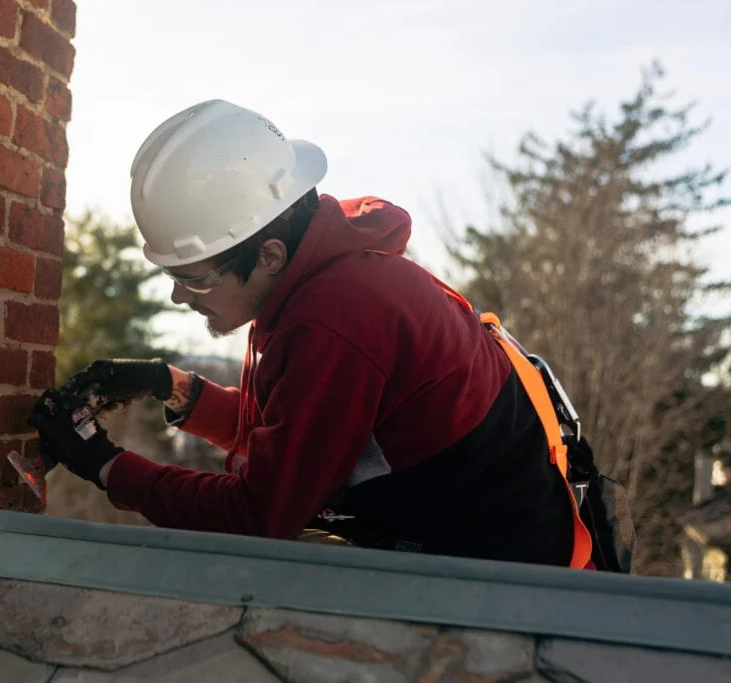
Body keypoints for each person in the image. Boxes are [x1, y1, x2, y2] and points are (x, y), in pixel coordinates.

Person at [30, 99, 588, 567]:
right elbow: (298, 435)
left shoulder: (333, 318)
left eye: (193, 279)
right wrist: (173, 386)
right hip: (459, 537)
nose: (180, 297)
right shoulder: (318, 271)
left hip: (504, 578)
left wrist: (105, 465)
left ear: (268, 254)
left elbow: (259, 517)